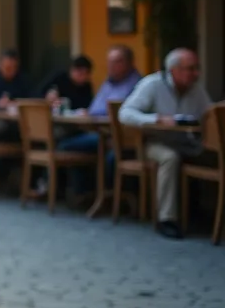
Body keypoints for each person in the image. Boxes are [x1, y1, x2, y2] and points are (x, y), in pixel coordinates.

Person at [118, 48, 214, 239]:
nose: (196, 73)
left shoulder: (196, 88)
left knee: (214, 156)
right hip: (154, 142)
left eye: (197, 68)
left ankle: (206, 212)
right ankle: (166, 219)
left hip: (187, 141)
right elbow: (125, 113)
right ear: (174, 70)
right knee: (170, 158)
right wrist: (156, 119)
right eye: (191, 69)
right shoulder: (152, 84)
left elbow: (209, 115)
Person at [56, 45, 143, 194]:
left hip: (119, 135)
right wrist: (86, 114)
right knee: (67, 142)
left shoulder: (138, 85)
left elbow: (121, 114)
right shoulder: (108, 83)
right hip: (98, 131)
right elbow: (95, 109)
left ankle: (87, 192)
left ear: (129, 63)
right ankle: (81, 192)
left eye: (116, 62)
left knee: (66, 145)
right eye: (109, 62)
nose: (110, 66)